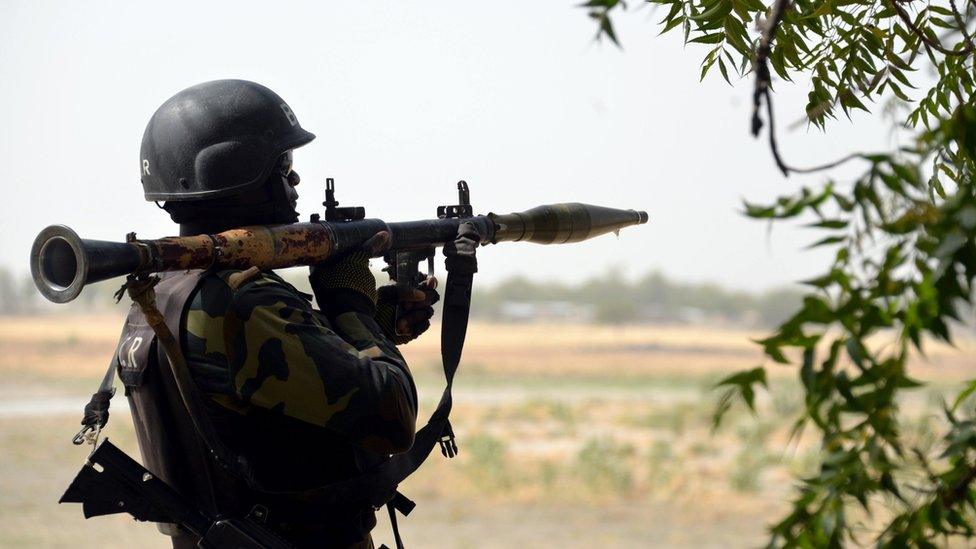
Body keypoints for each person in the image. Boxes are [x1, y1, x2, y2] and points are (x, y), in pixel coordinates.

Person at [119, 79, 444, 548]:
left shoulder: (166, 290)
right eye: (284, 166)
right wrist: (348, 300)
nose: (294, 183)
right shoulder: (242, 302)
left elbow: (264, 392)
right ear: (241, 174)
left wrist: (371, 322)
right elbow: (391, 415)